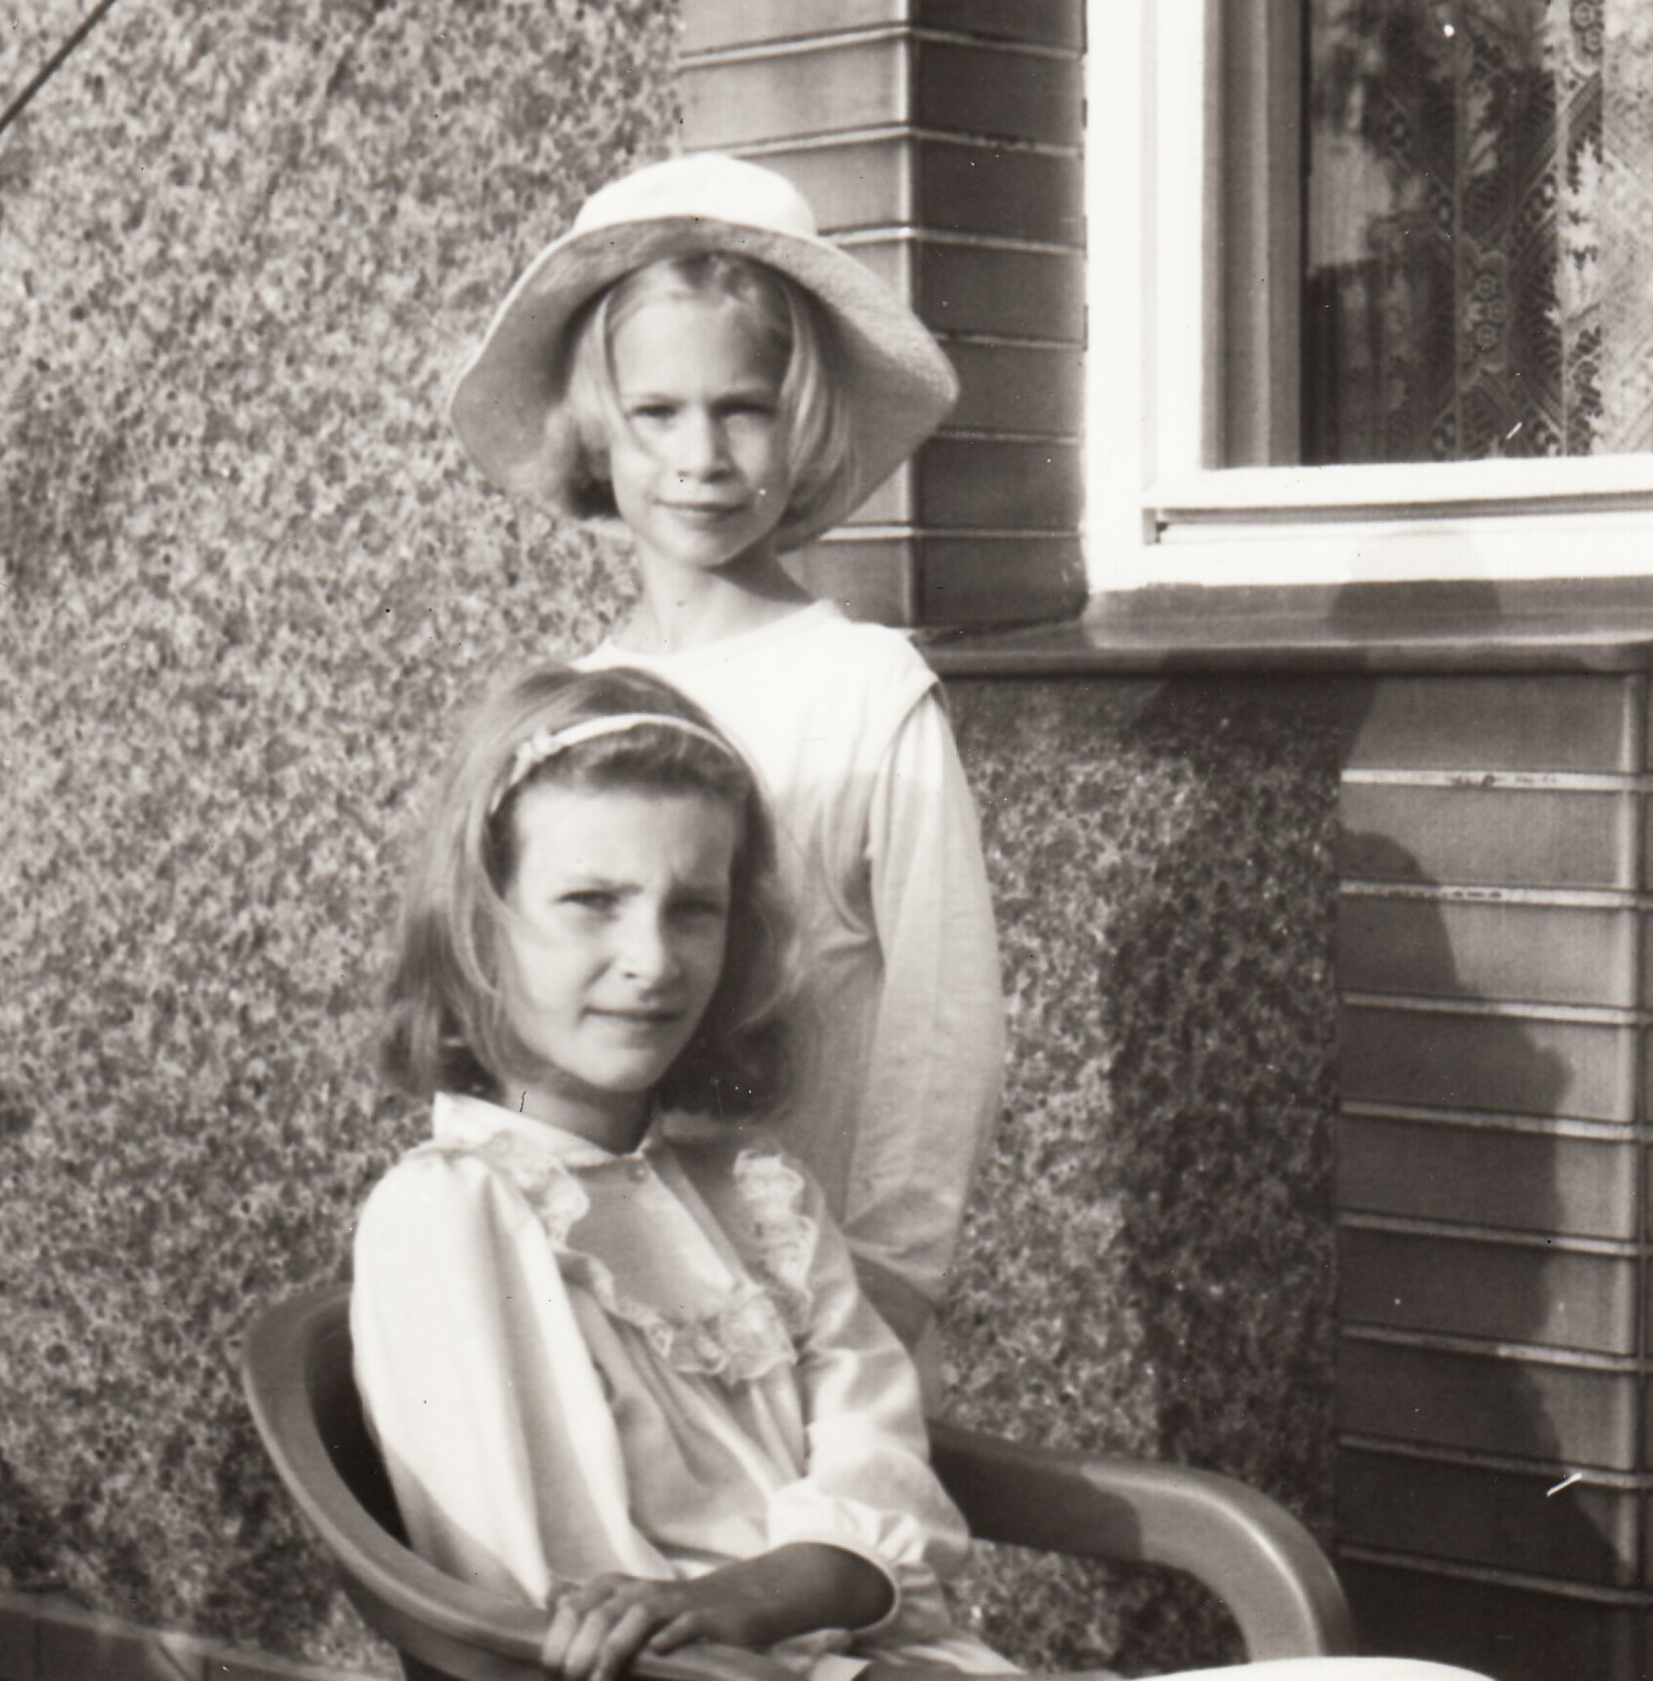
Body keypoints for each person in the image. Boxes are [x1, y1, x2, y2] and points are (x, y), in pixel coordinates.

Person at [351, 664, 1494, 1681]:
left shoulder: (754, 1194)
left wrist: (769, 1589)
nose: (651, 960)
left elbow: (880, 1467)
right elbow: (551, 1617)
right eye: (591, 902)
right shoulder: (453, 1215)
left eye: (693, 908)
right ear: (481, 924)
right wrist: (749, 1616)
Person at [447, 153, 1002, 1375]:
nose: (700, 453)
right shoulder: (573, 710)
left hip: (817, 1311)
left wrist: (891, 1287)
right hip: (608, 1294)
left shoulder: (861, 690)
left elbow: (944, 1024)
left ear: (801, 426)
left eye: (742, 407)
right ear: (598, 428)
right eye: (657, 412)